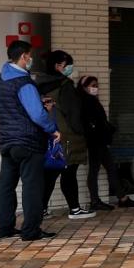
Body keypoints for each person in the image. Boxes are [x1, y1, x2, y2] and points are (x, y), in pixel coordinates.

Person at [0, 40, 60, 242]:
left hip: (6, 141)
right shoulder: (24, 82)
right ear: (23, 56)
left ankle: (4, 228)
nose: (31, 59)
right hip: (28, 141)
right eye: (30, 56)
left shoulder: (0, 82)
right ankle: (31, 230)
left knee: (6, 185)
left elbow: (6, 111)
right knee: (32, 186)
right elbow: (37, 115)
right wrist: (52, 129)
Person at [36, 50, 95, 219]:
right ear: (59, 65)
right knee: (69, 172)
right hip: (68, 134)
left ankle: (41, 209)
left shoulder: (39, 84)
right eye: (68, 64)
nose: (70, 68)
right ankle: (75, 209)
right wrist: (81, 131)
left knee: (50, 173)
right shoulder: (64, 85)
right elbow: (73, 112)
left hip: (49, 133)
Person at [77, 76, 134, 211]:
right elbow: (94, 124)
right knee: (96, 171)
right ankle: (97, 200)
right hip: (96, 141)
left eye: (97, 85)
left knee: (109, 168)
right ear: (85, 87)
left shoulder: (90, 101)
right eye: (93, 85)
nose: (96, 88)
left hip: (99, 141)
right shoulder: (87, 102)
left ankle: (121, 197)